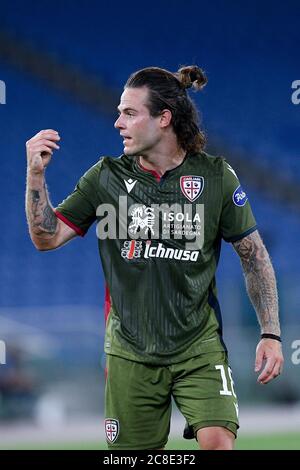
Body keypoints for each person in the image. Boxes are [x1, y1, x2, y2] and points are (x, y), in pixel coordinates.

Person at [25, 65, 284, 450]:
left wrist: (271, 332)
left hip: (199, 346)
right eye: (118, 112)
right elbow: (46, 238)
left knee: (218, 443)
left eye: (129, 113)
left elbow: (254, 256)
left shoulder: (215, 177)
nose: (117, 123)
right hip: (130, 352)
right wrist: (34, 176)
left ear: (164, 118)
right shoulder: (105, 177)